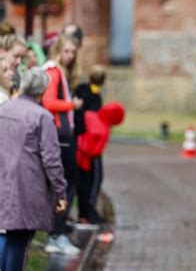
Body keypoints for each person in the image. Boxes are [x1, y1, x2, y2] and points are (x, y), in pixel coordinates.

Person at [0, 68, 67, 271]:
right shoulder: (41, 117)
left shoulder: (3, 110)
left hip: (3, 181)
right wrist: (60, 192)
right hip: (27, 186)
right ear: (43, 91)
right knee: (19, 238)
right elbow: (51, 159)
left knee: (4, 233)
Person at [42, 35, 83, 255]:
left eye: (73, 52)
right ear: (58, 50)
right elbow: (49, 102)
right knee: (65, 185)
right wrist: (72, 104)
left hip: (64, 134)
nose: (70, 56)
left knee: (67, 184)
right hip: (60, 135)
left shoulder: (60, 72)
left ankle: (57, 231)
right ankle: (55, 235)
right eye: (67, 51)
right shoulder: (53, 72)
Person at [76, 101, 125, 225]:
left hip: (78, 155)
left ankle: (83, 214)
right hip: (91, 159)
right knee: (93, 186)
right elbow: (94, 149)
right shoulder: (103, 129)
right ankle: (89, 214)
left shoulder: (90, 115)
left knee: (81, 187)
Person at [74, 65, 108, 224]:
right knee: (94, 179)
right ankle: (88, 213)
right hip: (90, 147)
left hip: (77, 143)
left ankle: (83, 214)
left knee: (81, 180)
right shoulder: (96, 98)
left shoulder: (80, 89)